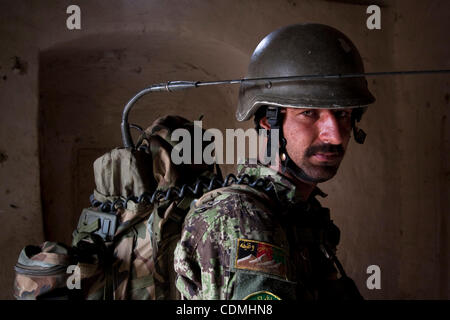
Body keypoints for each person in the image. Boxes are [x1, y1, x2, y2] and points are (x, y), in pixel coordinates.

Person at [173, 23, 375, 300]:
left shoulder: (298, 210)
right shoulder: (243, 219)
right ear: (270, 121)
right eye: (309, 113)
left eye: (342, 114)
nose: (336, 135)